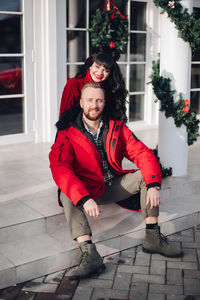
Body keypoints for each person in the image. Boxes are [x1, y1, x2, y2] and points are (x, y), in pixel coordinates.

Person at [49, 82, 183, 280]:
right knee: (66, 192)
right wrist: (84, 198)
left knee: (146, 176)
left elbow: (142, 153)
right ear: (81, 102)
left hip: (113, 184)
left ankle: (152, 237)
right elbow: (60, 168)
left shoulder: (116, 128)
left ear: (104, 103)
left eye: (99, 100)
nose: (94, 105)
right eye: (90, 100)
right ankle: (90, 255)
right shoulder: (67, 133)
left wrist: (154, 185)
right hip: (88, 190)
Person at [59, 46, 127, 123]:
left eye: (106, 70)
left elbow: (116, 120)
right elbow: (64, 120)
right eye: (97, 67)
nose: (100, 73)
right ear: (90, 66)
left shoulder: (111, 88)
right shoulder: (74, 84)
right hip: (77, 132)